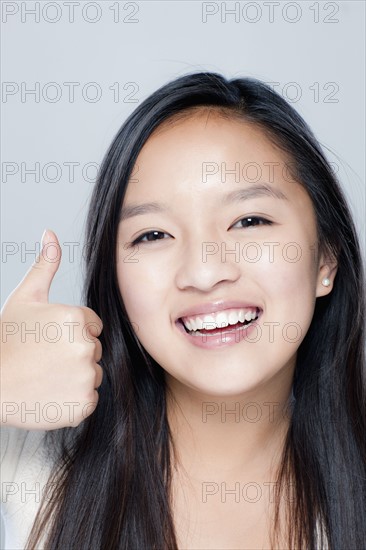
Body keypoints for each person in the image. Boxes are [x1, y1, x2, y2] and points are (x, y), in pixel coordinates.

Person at [1, 72, 365, 549]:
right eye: (153, 234)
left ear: (326, 259)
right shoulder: (29, 455)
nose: (205, 270)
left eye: (250, 220)